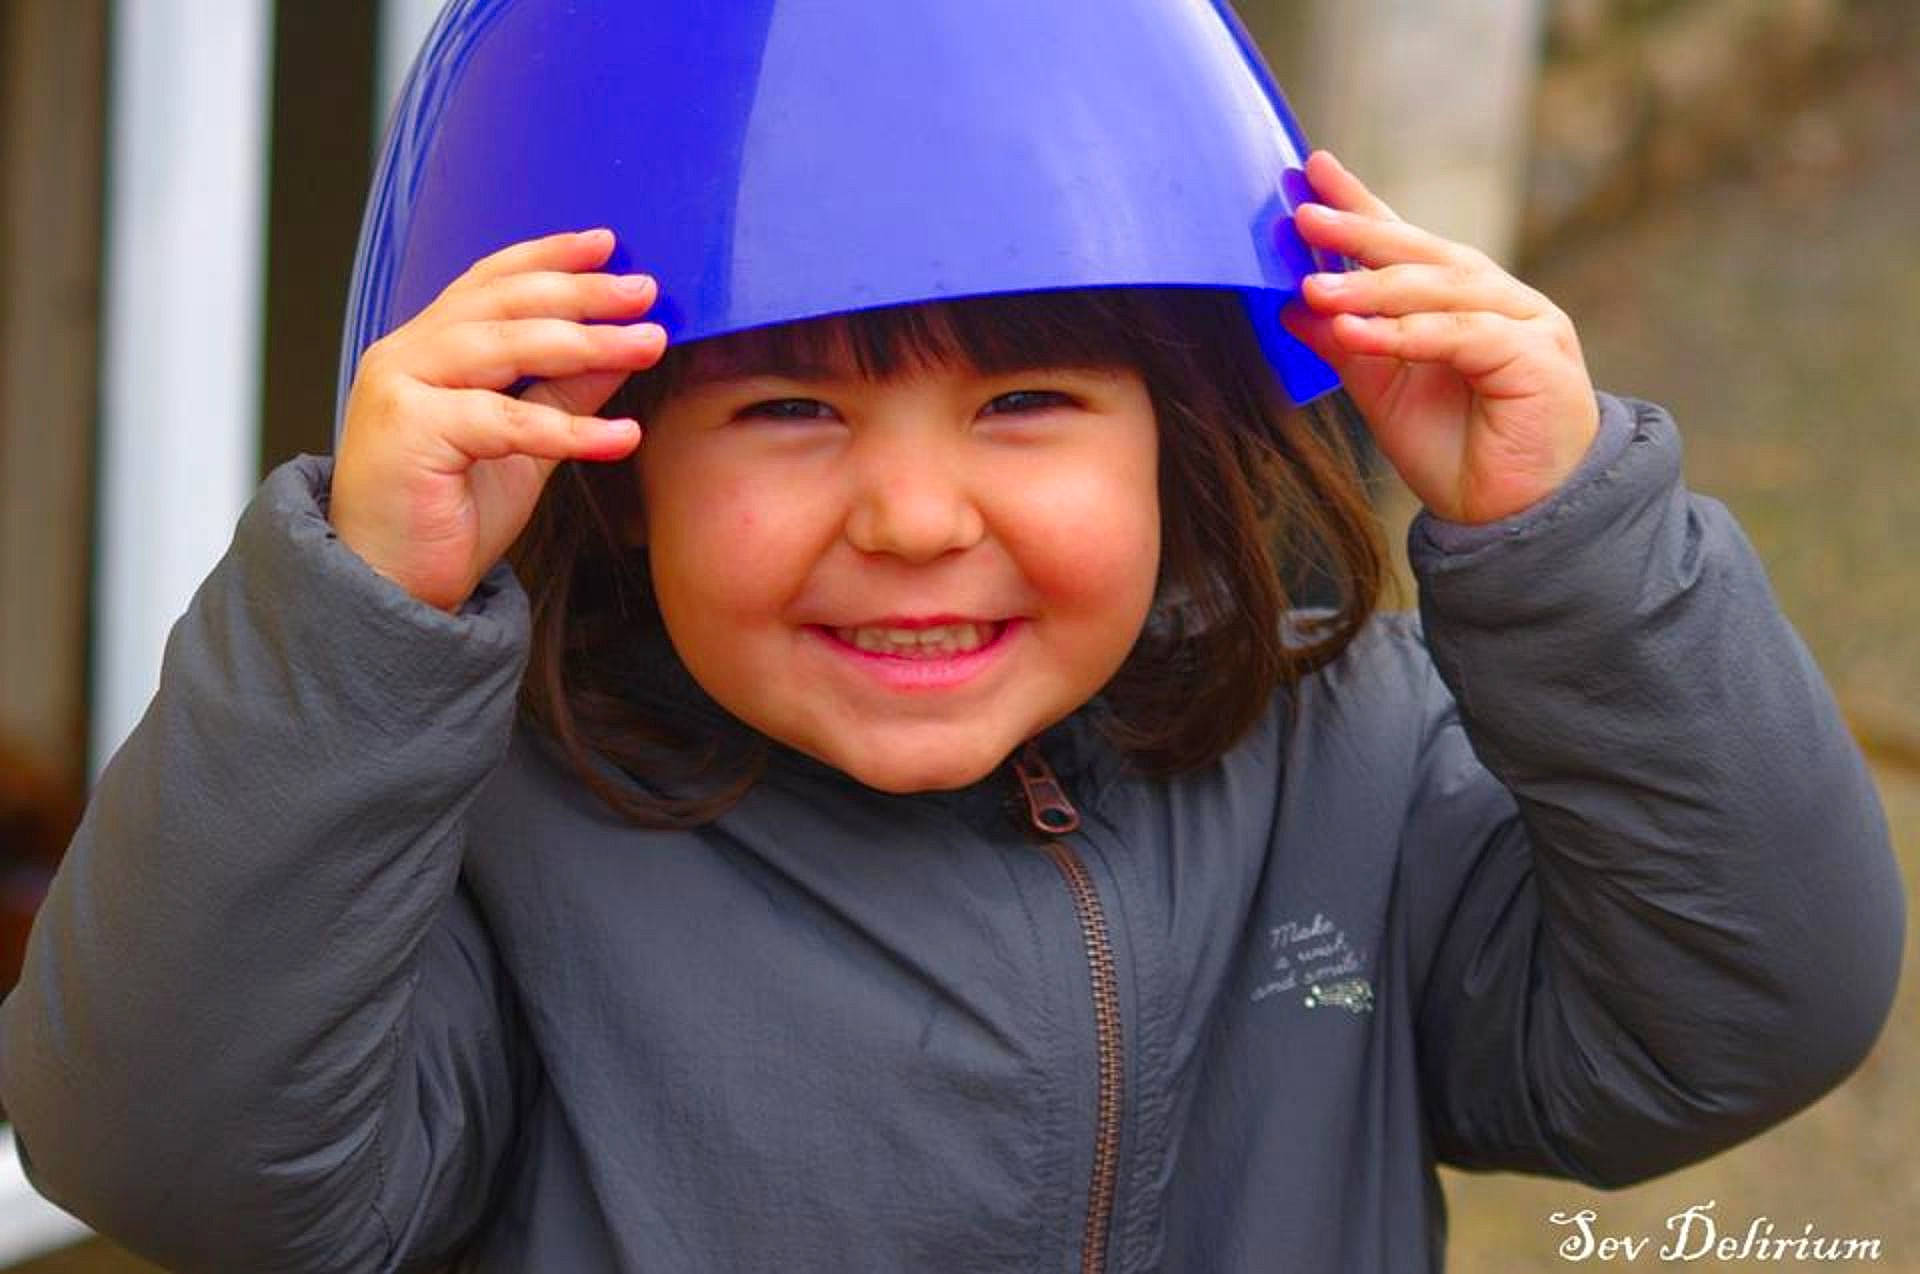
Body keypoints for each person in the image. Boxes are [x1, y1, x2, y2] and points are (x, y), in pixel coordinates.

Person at [0, 4, 1905, 1271]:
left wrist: (1572, 547)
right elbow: (174, 1151)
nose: (915, 517)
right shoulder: (491, 837)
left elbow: (1749, 1002)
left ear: (1185, 423)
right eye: (788, 410)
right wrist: (363, 625)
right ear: (610, 464)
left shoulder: (1342, 744)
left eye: (1024, 404)